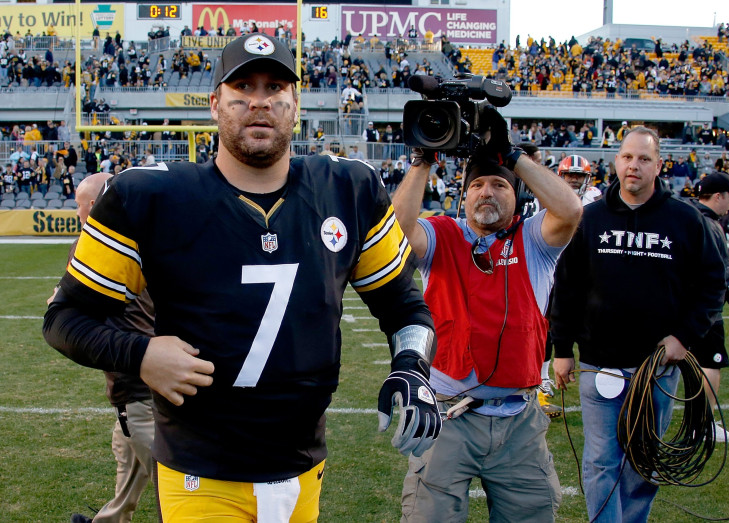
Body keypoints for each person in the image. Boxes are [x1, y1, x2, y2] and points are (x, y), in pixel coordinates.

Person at [43, 34, 441, 521]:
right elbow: (65, 317)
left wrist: (411, 366)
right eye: (242, 87)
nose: (259, 101)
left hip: (303, 468)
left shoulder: (349, 189)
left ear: (295, 105)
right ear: (215, 104)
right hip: (199, 470)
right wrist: (141, 353)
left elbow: (404, 305)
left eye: (275, 87)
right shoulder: (148, 196)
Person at [392, 108, 582, 522]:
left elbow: (569, 211)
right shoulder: (445, 232)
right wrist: (423, 160)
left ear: (517, 195)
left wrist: (511, 155)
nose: (486, 192)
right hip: (447, 415)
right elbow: (398, 230)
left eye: (499, 184)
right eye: (476, 185)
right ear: (464, 196)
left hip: (519, 421)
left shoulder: (534, 237)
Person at [551, 127, 724, 522]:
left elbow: (713, 284)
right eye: (628, 157)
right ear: (616, 162)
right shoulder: (589, 219)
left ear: (658, 165)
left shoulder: (686, 220)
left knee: (642, 462)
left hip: (658, 368)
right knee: (599, 461)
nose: (634, 165)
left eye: (644, 159)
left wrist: (684, 336)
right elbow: (568, 287)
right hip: (599, 362)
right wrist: (561, 349)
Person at [48, 173, 156, 523]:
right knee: (128, 469)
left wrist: (60, 303)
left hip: (137, 384)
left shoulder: (92, 247)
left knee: (183, 486)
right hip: (150, 372)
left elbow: (70, 318)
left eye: (80, 204)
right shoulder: (145, 242)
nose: (77, 212)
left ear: (94, 206)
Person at [693, 172, 729, 443]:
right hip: (706, 310)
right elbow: (716, 274)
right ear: (718, 196)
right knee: (710, 362)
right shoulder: (710, 225)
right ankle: (704, 423)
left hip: (685, 309)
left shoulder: (688, 217)